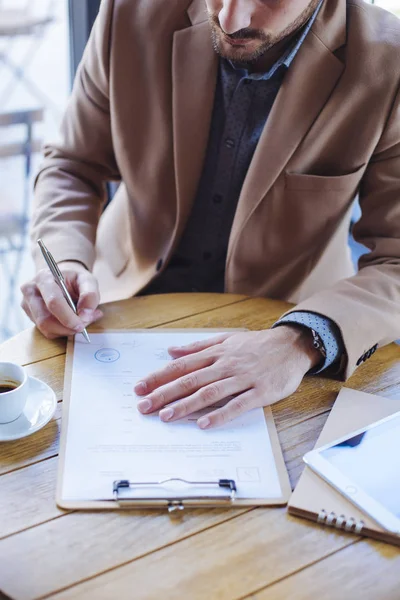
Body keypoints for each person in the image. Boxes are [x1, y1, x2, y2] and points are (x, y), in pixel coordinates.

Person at [22, 0, 400, 428]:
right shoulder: (128, 11)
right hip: (115, 312)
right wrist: (64, 259)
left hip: (284, 330)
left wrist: (301, 340)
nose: (228, 20)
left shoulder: (389, 63)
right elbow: (73, 163)